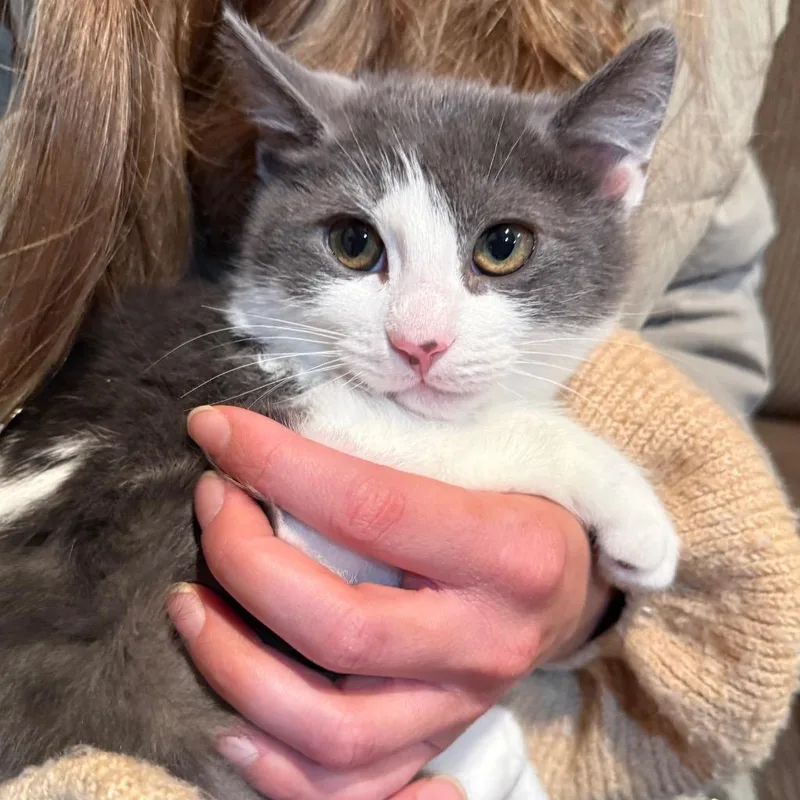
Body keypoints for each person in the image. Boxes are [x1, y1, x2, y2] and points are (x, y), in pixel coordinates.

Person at [0, 2, 797, 800]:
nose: (421, 333)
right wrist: (556, 462)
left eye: (499, 248)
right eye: (358, 245)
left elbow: (700, 314)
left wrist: (581, 597)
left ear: (613, 179)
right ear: (277, 166)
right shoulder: (218, 374)